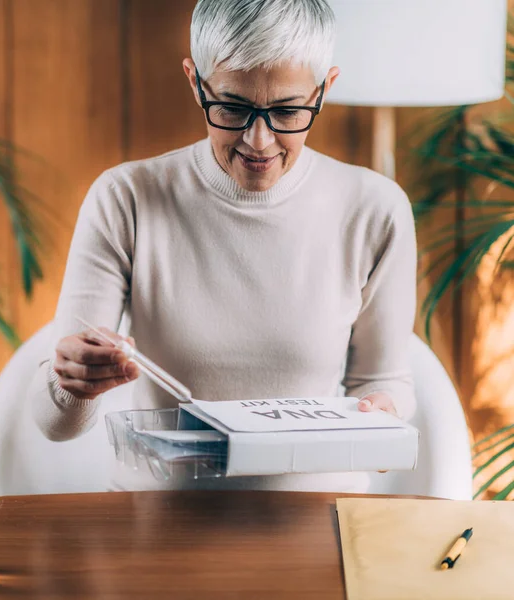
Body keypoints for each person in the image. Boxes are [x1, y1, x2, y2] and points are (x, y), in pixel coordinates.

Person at [28, 0, 416, 493]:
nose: (259, 141)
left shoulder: (374, 208)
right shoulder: (126, 198)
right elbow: (54, 425)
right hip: (161, 522)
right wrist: (69, 383)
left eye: (288, 111)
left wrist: (382, 416)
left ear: (325, 90)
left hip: (318, 515)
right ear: (196, 83)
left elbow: (384, 383)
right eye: (232, 108)